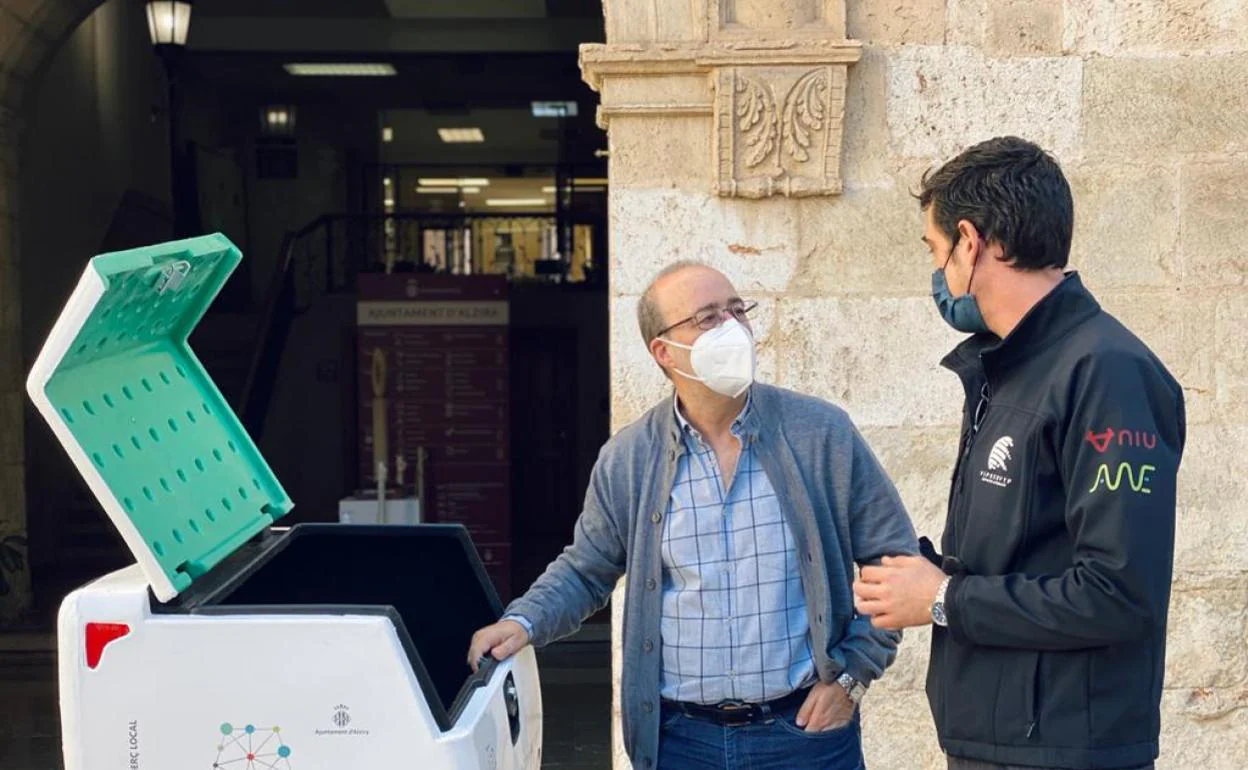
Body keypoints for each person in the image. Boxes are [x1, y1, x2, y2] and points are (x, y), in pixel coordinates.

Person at [468, 262, 918, 770]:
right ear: (663, 350)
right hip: (680, 743)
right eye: (707, 318)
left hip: (804, 736)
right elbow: (585, 570)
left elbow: (896, 561)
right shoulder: (630, 458)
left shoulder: (821, 435)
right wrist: (523, 620)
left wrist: (852, 676)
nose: (731, 327)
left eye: (736, 311)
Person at [852, 136, 1185, 770]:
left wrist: (944, 597)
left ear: (970, 243)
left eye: (936, 251)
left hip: (1064, 747)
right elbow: (1024, 553)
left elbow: (1116, 594)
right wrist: (914, 575)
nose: (938, 275)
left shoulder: (1105, 371)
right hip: (997, 739)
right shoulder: (1007, 368)